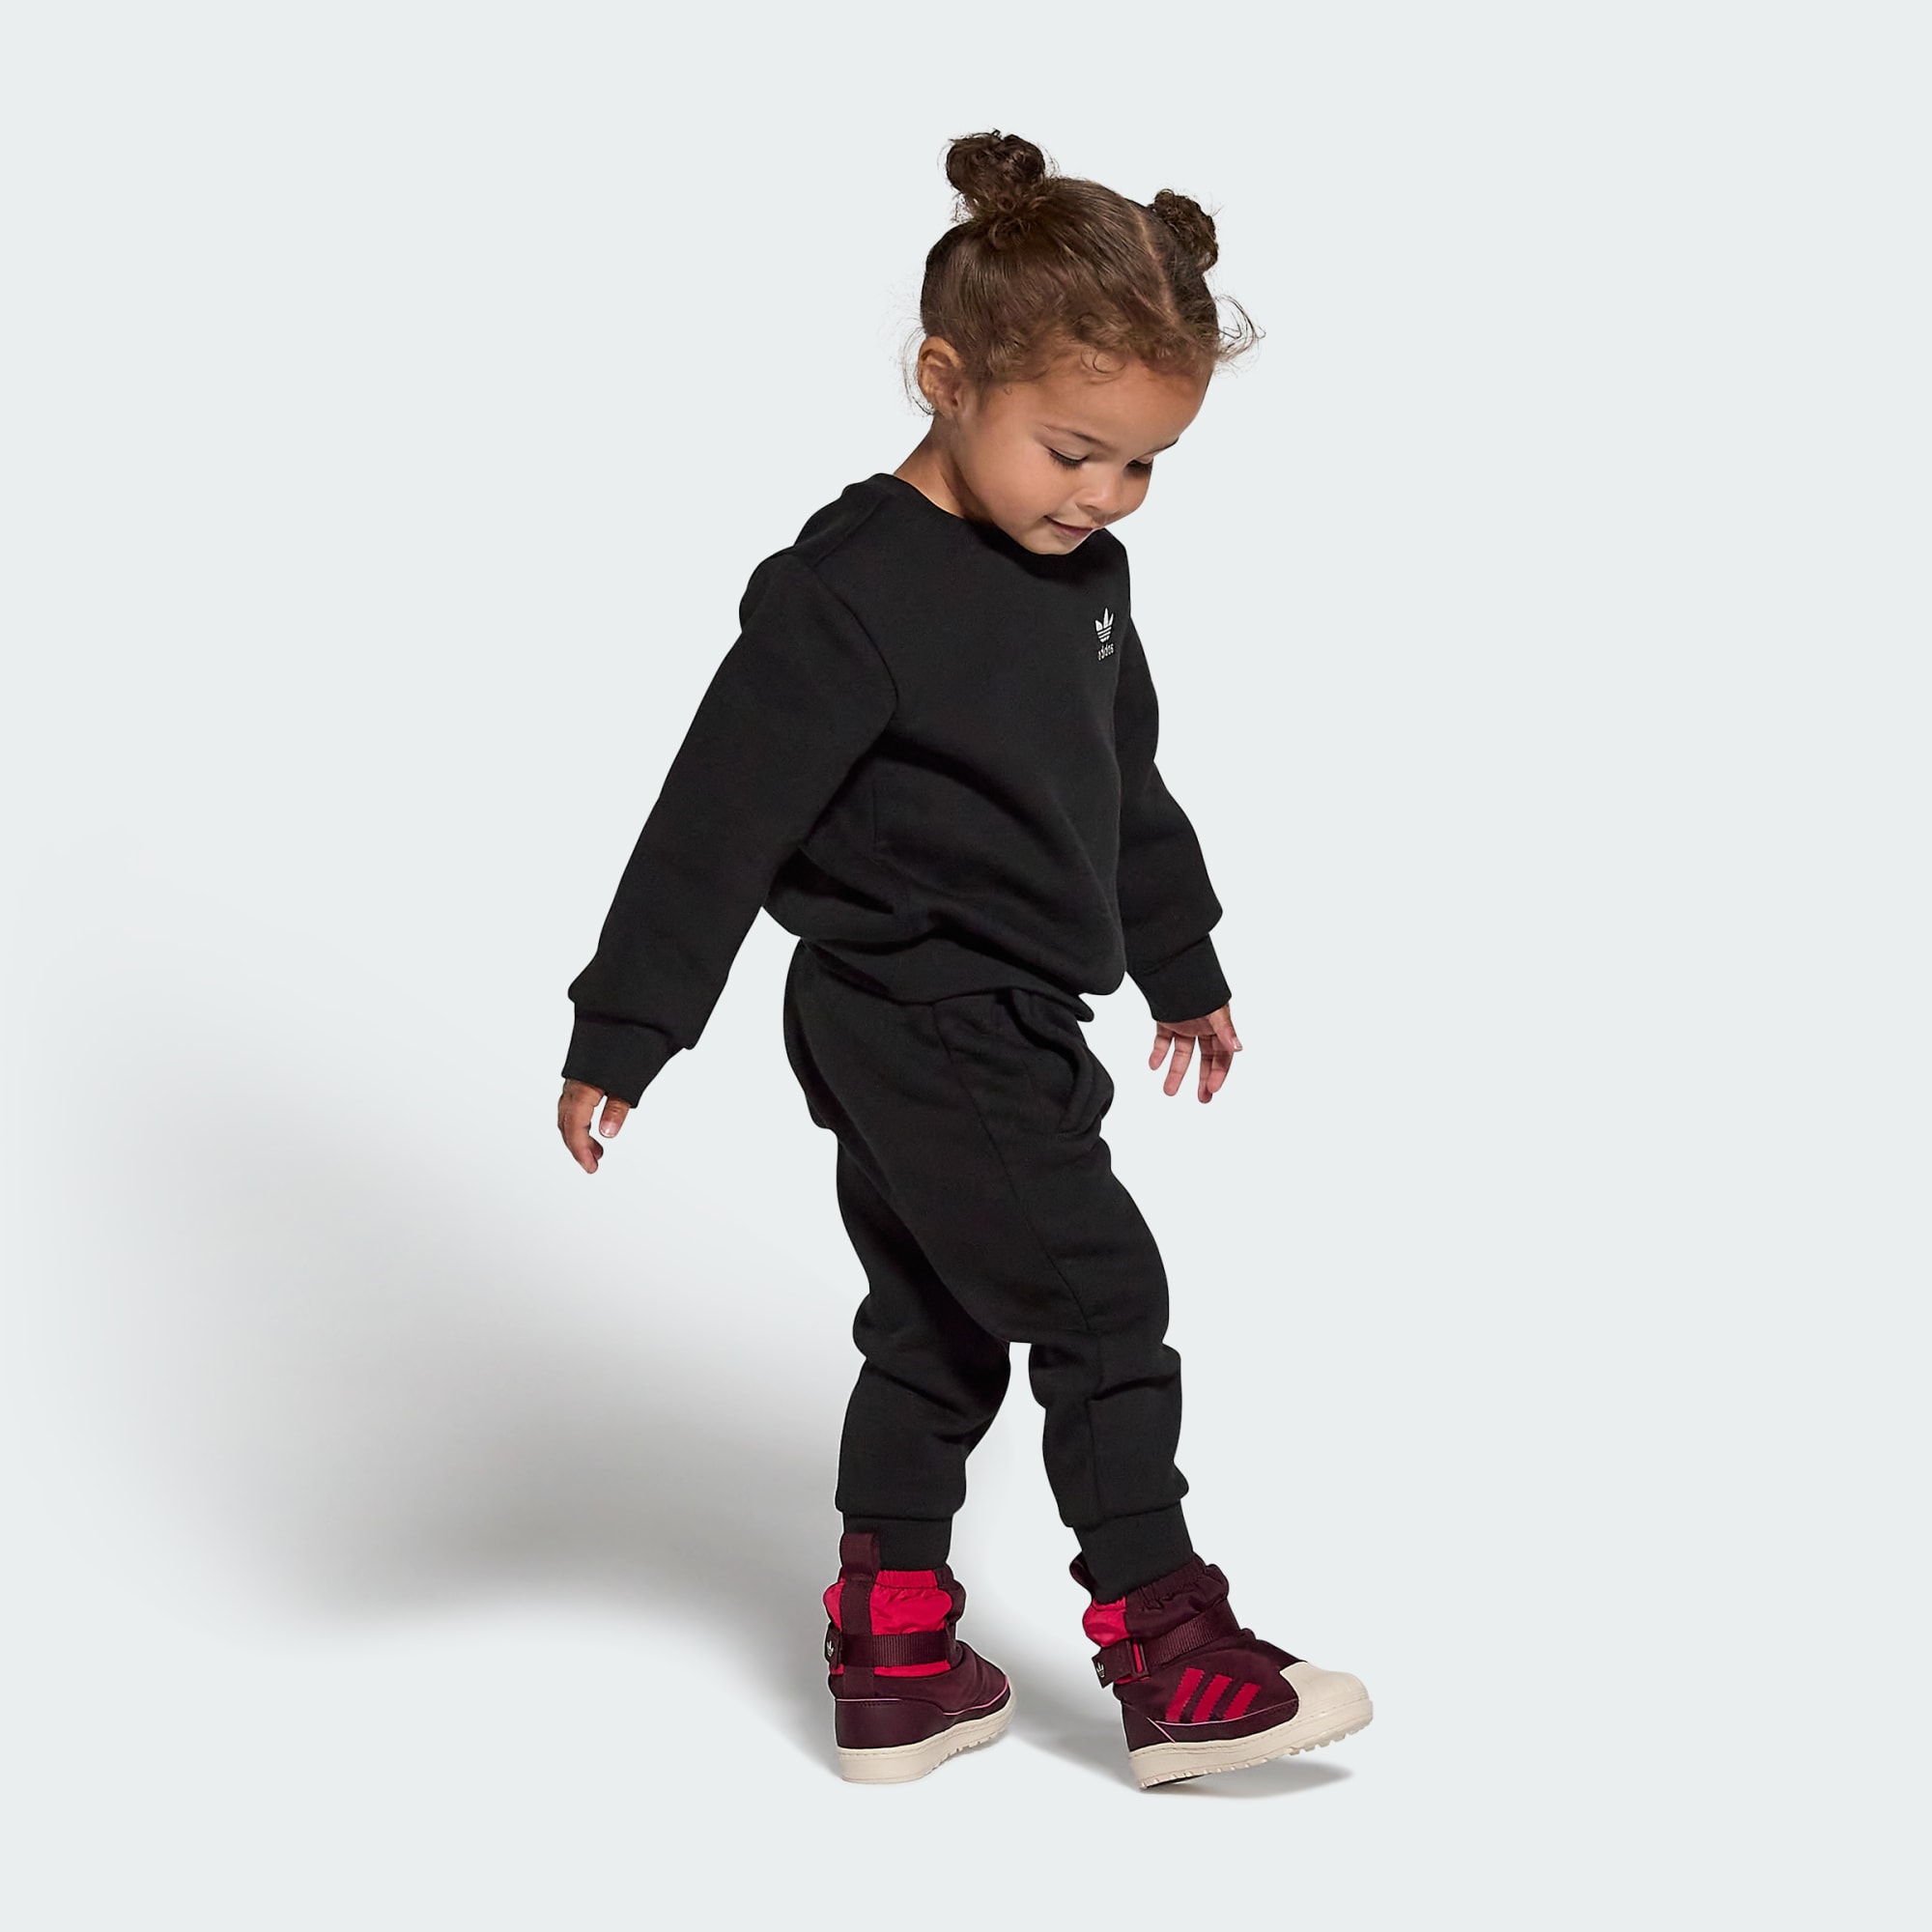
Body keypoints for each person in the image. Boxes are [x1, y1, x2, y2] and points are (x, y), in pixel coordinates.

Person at [555, 129, 1371, 1790]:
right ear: (947, 379)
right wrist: (624, 1031)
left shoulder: (1086, 580)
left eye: (1140, 466)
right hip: (918, 1010)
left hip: (1007, 1011)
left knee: (934, 1326)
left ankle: (898, 1658)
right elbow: (712, 823)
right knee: (1104, 1305)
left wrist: (1183, 961)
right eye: (1073, 450)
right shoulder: (845, 596)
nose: (1102, 497)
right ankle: (1170, 1650)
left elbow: (1119, 783)